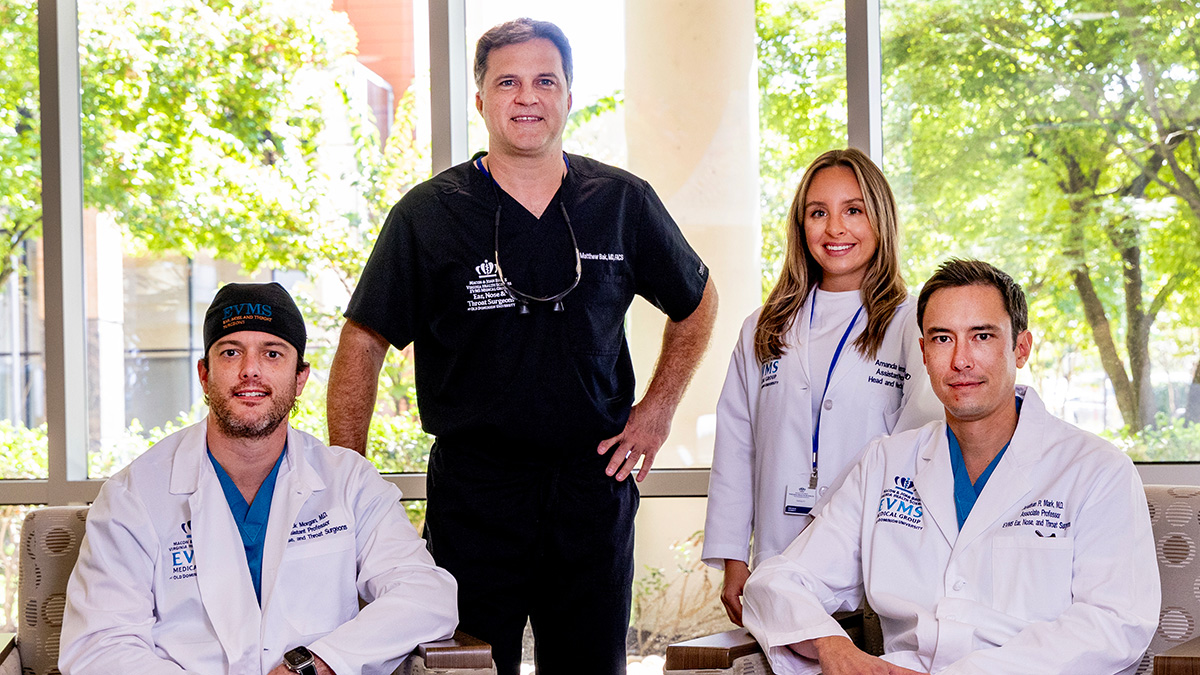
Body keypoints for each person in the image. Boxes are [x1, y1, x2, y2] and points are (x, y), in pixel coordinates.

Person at [325, 18, 717, 675]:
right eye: (507, 81)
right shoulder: (429, 215)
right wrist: (346, 485)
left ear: (568, 96)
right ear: (480, 99)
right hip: (476, 497)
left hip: (591, 491)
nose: (527, 96)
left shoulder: (621, 202)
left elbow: (698, 301)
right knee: (468, 668)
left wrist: (657, 409)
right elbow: (362, 342)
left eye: (545, 81)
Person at [741, 259, 1159, 675]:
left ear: (1021, 348)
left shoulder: (1097, 471)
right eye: (943, 338)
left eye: (982, 336)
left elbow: (1114, 624)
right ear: (923, 353)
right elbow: (777, 581)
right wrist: (832, 645)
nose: (961, 360)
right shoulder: (884, 464)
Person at [60, 282, 458, 675]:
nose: (250, 370)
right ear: (204, 374)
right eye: (231, 352)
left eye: (272, 353)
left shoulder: (349, 482)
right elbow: (99, 645)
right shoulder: (133, 495)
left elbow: (425, 595)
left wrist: (317, 665)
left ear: (300, 377)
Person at [702, 148, 941, 626]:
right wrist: (733, 558)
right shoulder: (762, 328)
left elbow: (922, 448)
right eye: (818, 213)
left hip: (875, 563)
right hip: (779, 553)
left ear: (881, 220)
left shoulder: (913, 322)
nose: (835, 229)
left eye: (853, 210)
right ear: (800, 225)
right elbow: (736, 447)